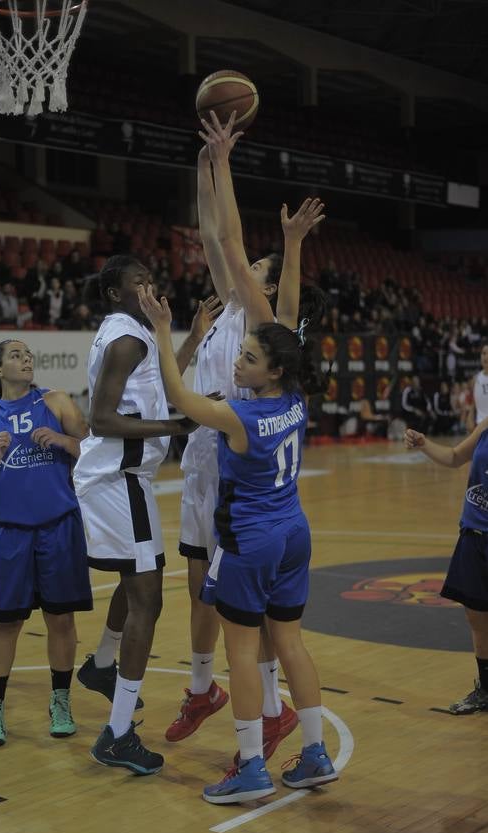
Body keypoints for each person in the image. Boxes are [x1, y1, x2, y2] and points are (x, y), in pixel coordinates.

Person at [165, 115, 325, 764]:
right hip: (207, 462)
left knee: (242, 610)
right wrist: (205, 165)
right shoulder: (236, 313)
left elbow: (229, 240)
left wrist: (226, 161)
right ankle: (209, 692)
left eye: (258, 267)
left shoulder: (267, 328)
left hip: (238, 469)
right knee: (201, 586)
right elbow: (213, 233)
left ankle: (260, 722)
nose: (242, 267)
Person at [139, 284, 337, 803]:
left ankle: (251, 765)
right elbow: (286, 321)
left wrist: (164, 332)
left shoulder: (240, 417)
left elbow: (178, 397)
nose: (237, 363)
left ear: (273, 371)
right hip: (294, 531)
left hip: (250, 541)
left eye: (248, 359)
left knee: (243, 655)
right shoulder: (295, 399)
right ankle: (316, 754)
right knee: (291, 643)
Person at [73, 255, 218, 776]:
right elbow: (102, 418)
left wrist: (194, 336)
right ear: (114, 293)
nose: (149, 287)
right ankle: (116, 734)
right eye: (138, 281)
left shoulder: (135, 332)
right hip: (117, 478)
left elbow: (161, 379)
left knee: (140, 579)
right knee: (148, 598)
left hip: (127, 479)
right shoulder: (127, 338)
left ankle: (103, 664)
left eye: (152, 278)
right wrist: (176, 427)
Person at [0, 340, 92, 746]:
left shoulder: (55, 401)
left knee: (61, 620)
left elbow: (93, 449)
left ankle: (61, 701)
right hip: (11, 532)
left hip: (59, 526)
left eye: (28, 354)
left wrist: (64, 440)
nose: (26, 359)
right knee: (5, 623)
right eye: (15, 355)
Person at [404, 420, 488, 715]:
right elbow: (454, 457)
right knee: (477, 616)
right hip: (475, 533)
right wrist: (424, 444)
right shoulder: (487, 424)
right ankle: (486, 690)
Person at [469, 343, 488, 429]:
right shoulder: (475, 379)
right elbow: (474, 403)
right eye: (484, 353)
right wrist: (470, 417)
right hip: (480, 428)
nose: (486, 357)